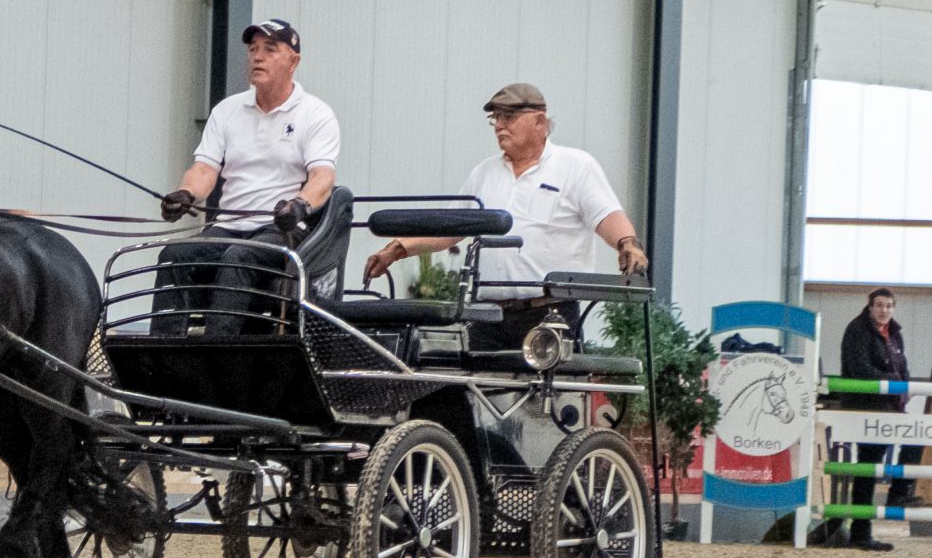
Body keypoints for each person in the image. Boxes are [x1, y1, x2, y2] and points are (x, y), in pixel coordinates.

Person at [360, 83, 647, 346]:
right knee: (476, 391)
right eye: (495, 118)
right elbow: (450, 229)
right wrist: (397, 249)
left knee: (543, 401)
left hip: (549, 313)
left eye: (508, 117)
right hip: (490, 315)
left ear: (540, 122)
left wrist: (627, 243)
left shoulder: (575, 166)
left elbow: (606, 214)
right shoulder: (484, 173)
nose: (499, 125)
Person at [155, 19, 340, 332]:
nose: (257, 56)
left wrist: (298, 205)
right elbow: (204, 169)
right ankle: (162, 353)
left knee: (237, 259)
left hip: (279, 229)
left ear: (293, 61)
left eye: (270, 49)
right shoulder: (227, 110)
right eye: (253, 49)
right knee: (174, 255)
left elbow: (322, 178)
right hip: (229, 227)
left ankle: (219, 353)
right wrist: (184, 194)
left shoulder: (315, 113)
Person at [826, 287, 914, 551]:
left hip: (889, 407)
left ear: (893, 308)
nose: (884, 310)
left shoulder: (895, 333)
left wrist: (902, 385)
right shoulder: (858, 330)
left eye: (888, 306)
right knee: (868, 468)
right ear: (870, 307)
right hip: (867, 407)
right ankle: (862, 530)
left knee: (906, 445)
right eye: (879, 305)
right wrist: (896, 382)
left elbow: (902, 365)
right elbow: (860, 368)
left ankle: (899, 493)